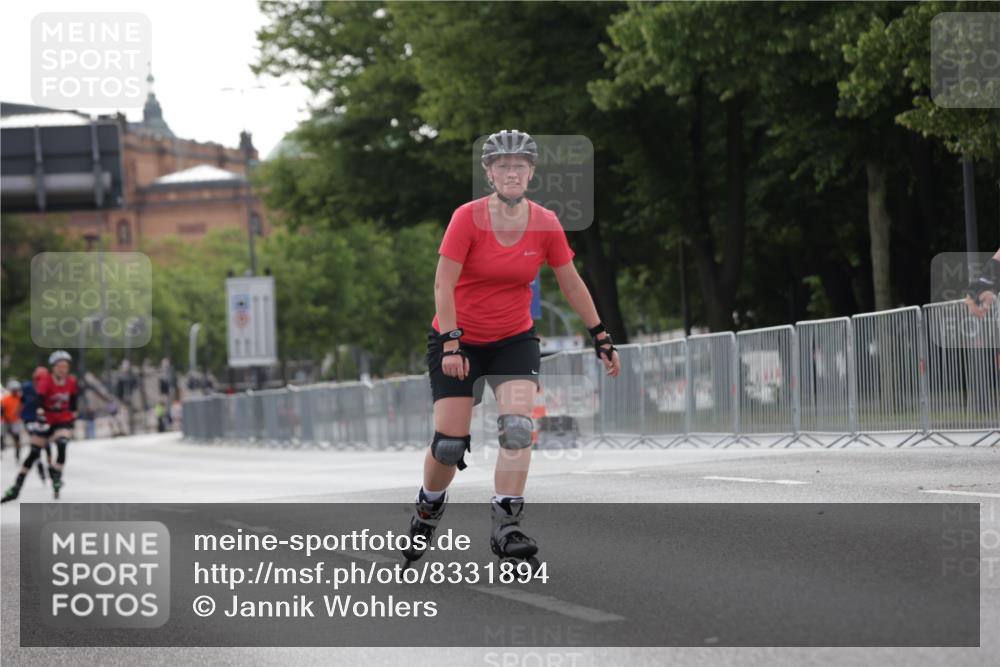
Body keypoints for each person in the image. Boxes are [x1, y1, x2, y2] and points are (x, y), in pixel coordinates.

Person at [401, 130, 621, 567]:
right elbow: (444, 283)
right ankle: (429, 505)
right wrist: (451, 342)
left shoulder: (546, 222)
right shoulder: (466, 218)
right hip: (457, 337)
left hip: (513, 339)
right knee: (449, 443)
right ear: (489, 173)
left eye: (519, 165)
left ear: (531, 172)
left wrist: (600, 334)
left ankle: (507, 525)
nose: (511, 172)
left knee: (518, 428)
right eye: (502, 165)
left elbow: (570, 281)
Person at [2, 351, 79, 503]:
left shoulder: (71, 381)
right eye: (60, 366)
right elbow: (39, 400)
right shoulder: (47, 381)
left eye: (66, 366)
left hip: (62, 418)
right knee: (34, 453)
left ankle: (56, 475)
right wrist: (40, 412)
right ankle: (16, 487)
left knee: (62, 443)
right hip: (46, 419)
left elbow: (73, 401)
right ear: (54, 368)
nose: (63, 370)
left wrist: (73, 415)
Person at [965, 248, 1000, 318]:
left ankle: (979, 310)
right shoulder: (977, 291)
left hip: (991, 272)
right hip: (990, 273)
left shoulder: (978, 291)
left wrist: (983, 309)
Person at [1, 380, 23, 459]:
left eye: (16, 390)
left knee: (17, 437)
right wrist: (4, 416)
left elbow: (22, 408)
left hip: (15, 420)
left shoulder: (20, 398)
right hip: (5, 419)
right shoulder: (6, 399)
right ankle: (2, 446)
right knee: (1, 434)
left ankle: (18, 451)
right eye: (13, 390)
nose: (15, 391)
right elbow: (2, 409)